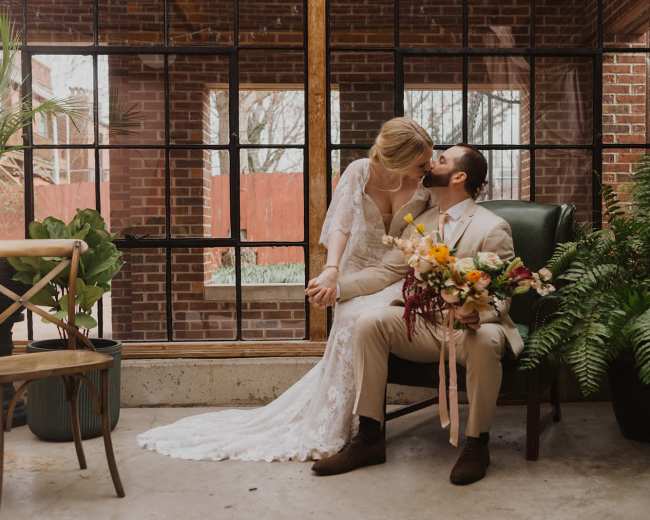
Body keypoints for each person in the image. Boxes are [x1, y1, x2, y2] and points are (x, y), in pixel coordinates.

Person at [137, 117, 434, 462]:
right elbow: (341, 224)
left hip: (394, 274)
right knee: (351, 316)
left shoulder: (426, 187)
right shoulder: (360, 171)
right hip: (354, 267)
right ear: (395, 161)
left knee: (368, 320)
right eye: (420, 162)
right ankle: (344, 425)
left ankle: (367, 430)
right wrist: (331, 271)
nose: (428, 167)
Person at [309, 144, 522, 485]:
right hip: (425, 327)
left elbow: (503, 294)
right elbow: (385, 273)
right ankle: (369, 438)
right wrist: (335, 287)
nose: (431, 162)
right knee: (370, 323)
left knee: (486, 339)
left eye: (441, 159)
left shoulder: (492, 227)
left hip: (469, 330)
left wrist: (477, 314)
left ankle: (476, 444)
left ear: (459, 176)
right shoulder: (420, 223)